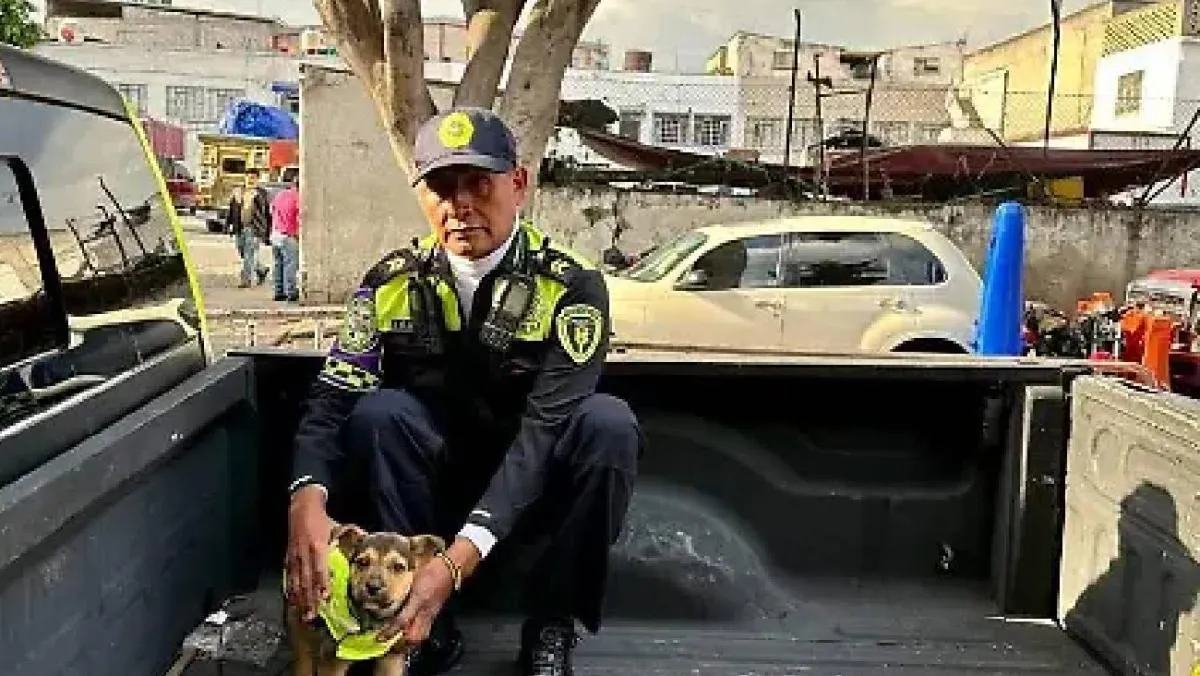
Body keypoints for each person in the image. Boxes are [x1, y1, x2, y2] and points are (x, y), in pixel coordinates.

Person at [284, 107, 642, 676]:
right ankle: (419, 628)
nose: (459, 205)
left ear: (518, 184)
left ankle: (552, 623)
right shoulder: (389, 282)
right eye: (441, 187)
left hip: (531, 482)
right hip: (431, 485)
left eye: (479, 182)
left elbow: (545, 430)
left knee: (608, 426)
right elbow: (332, 400)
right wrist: (305, 498)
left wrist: (454, 564)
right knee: (380, 413)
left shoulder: (573, 286)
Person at [224, 184, 268, 288]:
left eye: (253, 178)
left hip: (253, 228)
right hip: (239, 227)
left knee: (249, 254)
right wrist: (227, 224)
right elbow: (231, 209)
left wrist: (265, 231)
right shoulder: (238, 192)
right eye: (249, 177)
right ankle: (261, 269)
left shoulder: (260, 194)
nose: (251, 180)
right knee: (242, 252)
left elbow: (265, 212)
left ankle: (246, 280)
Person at [270, 176, 301, 302]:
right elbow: (300, 217)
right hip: (288, 235)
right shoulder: (298, 198)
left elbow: (271, 209)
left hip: (275, 233)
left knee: (278, 264)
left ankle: (278, 291)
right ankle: (291, 292)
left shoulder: (281, 194)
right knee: (290, 265)